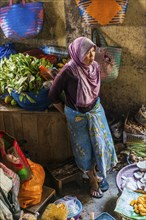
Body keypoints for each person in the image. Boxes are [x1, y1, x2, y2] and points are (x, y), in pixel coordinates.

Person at [48, 37, 118, 198]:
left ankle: (97, 174)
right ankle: (92, 179)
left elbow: (100, 83)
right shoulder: (68, 71)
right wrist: (66, 112)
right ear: (77, 54)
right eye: (87, 53)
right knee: (85, 150)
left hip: (95, 111)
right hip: (77, 116)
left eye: (93, 51)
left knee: (99, 144)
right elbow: (52, 95)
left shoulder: (94, 67)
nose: (91, 56)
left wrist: (108, 61)